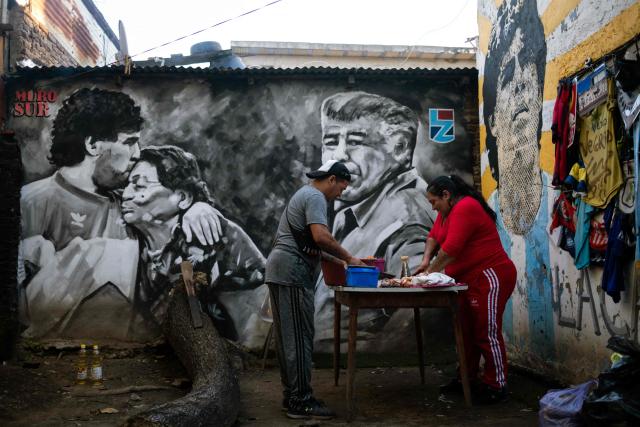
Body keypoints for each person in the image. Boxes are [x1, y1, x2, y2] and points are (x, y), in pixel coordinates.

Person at [19, 88, 222, 340]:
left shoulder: (130, 203)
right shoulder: (30, 202)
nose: (137, 153)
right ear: (93, 144)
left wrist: (197, 207)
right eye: (129, 141)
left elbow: (171, 220)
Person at [314, 91, 436, 349]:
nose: (340, 155)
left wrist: (376, 351)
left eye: (356, 141)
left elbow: (429, 301)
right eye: (331, 141)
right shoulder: (356, 207)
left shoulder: (406, 214)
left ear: (400, 148)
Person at [121, 145, 267, 341]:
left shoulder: (211, 233)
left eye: (139, 186)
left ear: (182, 197)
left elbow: (264, 295)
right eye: (128, 185)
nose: (126, 194)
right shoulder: (126, 239)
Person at [265, 160, 365, 420]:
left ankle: (293, 396)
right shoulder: (315, 196)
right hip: (291, 272)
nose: (340, 194)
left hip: (281, 270)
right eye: (341, 187)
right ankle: (301, 401)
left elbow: (313, 247)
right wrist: (351, 258)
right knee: (299, 338)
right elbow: (322, 237)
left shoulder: (304, 195)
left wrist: (341, 261)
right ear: (331, 179)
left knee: (290, 337)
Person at [414, 175, 517, 404]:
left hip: (489, 276)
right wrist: (425, 260)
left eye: (434, 202)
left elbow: (450, 250)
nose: (433, 207)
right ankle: (466, 378)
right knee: (467, 333)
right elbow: (434, 237)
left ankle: (496, 385)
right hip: (467, 279)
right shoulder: (446, 213)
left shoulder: (465, 207)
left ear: (446, 195)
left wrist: (429, 274)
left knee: (485, 332)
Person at [482, 0, 546, 235]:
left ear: (539, 94)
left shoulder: (559, 199)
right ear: (493, 122)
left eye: (529, 62)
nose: (520, 81)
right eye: (508, 76)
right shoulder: (487, 214)